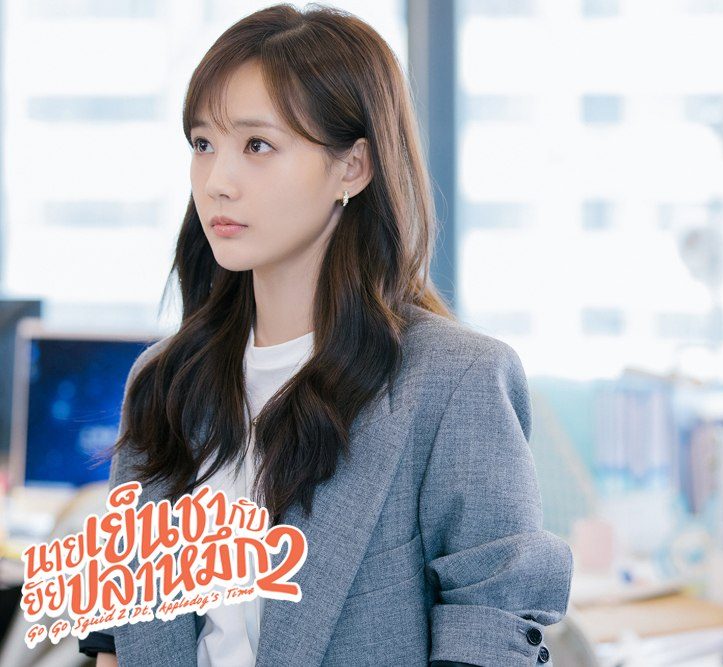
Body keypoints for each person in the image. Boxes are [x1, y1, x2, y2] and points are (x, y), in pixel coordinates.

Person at [77, 3, 572, 665]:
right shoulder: (164, 380)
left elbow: (493, 631)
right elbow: (120, 627)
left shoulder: (454, 380)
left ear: (353, 167)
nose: (216, 182)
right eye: (202, 144)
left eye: (257, 146)